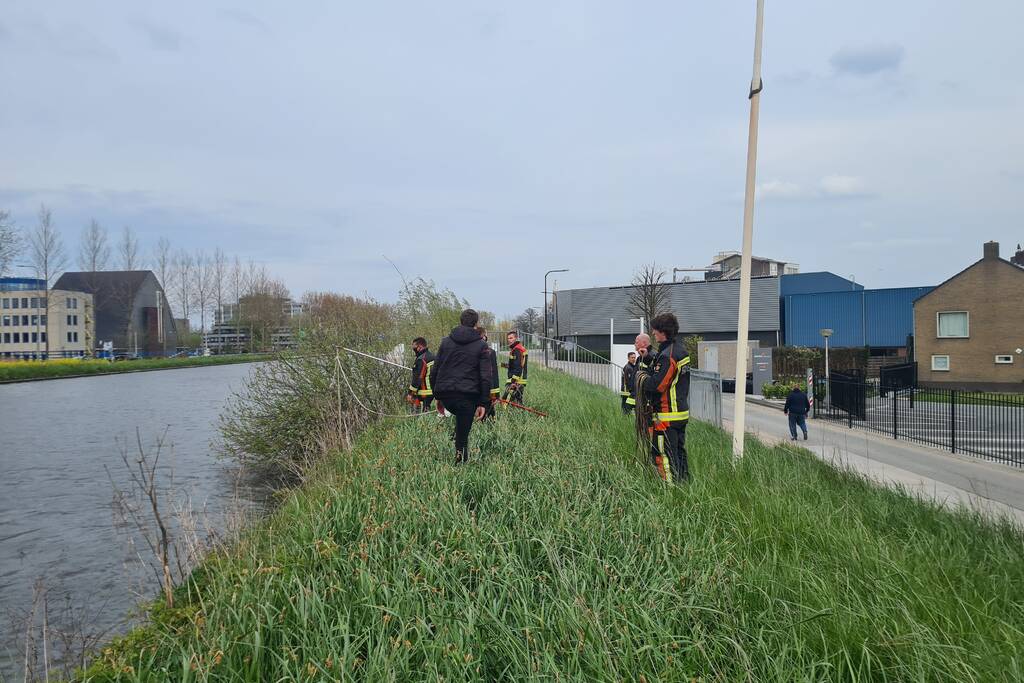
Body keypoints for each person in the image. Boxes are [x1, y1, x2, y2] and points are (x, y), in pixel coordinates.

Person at [430, 309, 493, 464]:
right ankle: (460, 468)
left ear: (460, 321)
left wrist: (437, 396)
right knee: (462, 438)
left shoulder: (445, 342)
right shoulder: (482, 345)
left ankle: (457, 463)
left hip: (447, 396)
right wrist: (483, 403)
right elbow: (486, 377)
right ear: (476, 324)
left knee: (459, 431)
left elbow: (435, 371)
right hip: (467, 397)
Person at [639, 313, 691, 483]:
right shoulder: (680, 351)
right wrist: (647, 358)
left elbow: (658, 384)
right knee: (678, 452)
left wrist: (641, 379)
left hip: (667, 415)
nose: (653, 333)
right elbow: (662, 367)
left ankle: (669, 491)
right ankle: (683, 483)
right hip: (680, 414)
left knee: (663, 453)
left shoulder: (668, 356)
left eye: (655, 330)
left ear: (663, 332)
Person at [476, 325, 500, 418]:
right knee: (487, 414)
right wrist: (495, 394)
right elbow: (493, 374)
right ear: (483, 336)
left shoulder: (466, 351)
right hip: (485, 390)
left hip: (473, 390)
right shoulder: (489, 352)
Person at [407, 337, 435, 412]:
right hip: (435, 392)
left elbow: (417, 378)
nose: (414, 350)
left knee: (421, 415)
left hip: (424, 393)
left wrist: (410, 393)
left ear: (420, 347)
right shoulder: (433, 357)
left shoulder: (421, 359)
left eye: (414, 347)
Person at [501, 330, 529, 404]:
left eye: (511, 338)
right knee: (517, 401)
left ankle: (506, 414)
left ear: (516, 338)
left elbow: (518, 366)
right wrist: (502, 365)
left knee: (506, 401)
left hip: (516, 380)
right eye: (508, 338)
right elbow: (514, 365)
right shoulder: (518, 348)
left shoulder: (517, 350)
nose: (509, 340)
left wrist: (513, 381)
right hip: (519, 378)